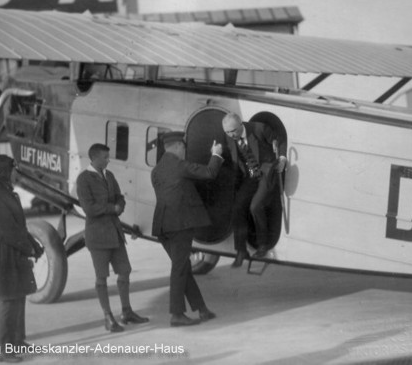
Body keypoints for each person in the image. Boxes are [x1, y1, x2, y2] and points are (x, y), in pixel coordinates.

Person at [151, 131, 223, 327]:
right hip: (180, 225)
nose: (184, 150)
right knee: (179, 268)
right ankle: (177, 314)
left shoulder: (156, 170)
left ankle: (202, 309)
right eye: (183, 147)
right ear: (176, 147)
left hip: (162, 227)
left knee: (182, 267)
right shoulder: (180, 166)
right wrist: (216, 154)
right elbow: (210, 173)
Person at [76, 143, 149, 333]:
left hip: (114, 233)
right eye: (105, 157)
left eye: (108, 157)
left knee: (125, 271)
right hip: (98, 235)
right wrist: (112, 209)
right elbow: (88, 208)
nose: (108, 160)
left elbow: (119, 197)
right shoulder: (83, 179)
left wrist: (120, 205)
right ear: (94, 158)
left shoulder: (109, 176)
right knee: (101, 277)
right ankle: (108, 317)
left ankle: (127, 312)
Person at [0, 155, 43, 363]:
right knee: (9, 299)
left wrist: (34, 245)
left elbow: (19, 227)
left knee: (19, 295)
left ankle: (16, 340)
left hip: (15, 247)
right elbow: (9, 230)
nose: (16, 173)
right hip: (7, 249)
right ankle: (2, 349)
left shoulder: (8, 192)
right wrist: (29, 247)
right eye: (13, 169)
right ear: (3, 171)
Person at [222, 113, 287, 267]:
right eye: (228, 133)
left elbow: (280, 141)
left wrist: (283, 158)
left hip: (267, 172)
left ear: (240, 125)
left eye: (234, 131)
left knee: (255, 206)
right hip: (251, 175)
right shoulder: (230, 137)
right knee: (238, 206)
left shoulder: (259, 129)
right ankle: (241, 250)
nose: (232, 135)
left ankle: (263, 244)